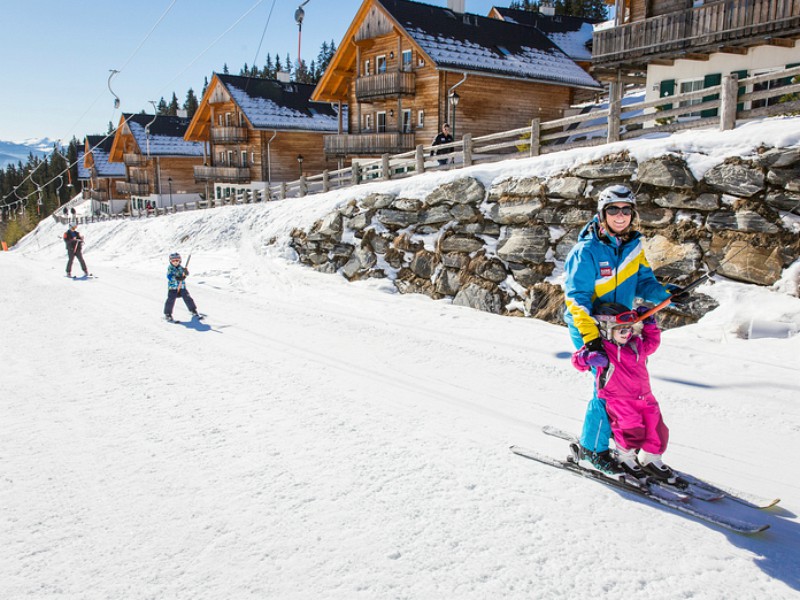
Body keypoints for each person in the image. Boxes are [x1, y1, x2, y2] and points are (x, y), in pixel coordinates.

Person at [563, 184, 674, 475]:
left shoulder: (633, 247)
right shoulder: (586, 251)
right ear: (602, 214)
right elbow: (577, 300)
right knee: (606, 389)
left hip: (621, 327)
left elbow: (644, 281)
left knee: (628, 387)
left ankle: (623, 441)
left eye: (626, 210)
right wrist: (591, 341)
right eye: (613, 210)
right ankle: (592, 448)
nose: (620, 216)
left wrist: (665, 294)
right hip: (590, 325)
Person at [572, 302, 675, 483]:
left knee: (658, 429)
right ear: (606, 329)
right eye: (621, 330)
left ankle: (651, 457)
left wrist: (650, 324)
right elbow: (577, 362)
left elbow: (652, 343)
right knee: (630, 430)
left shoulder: (636, 344)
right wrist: (587, 357)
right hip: (619, 400)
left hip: (645, 397)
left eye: (628, 329)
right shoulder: (603, 349)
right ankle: (625, 457)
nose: (626, 333)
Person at [164, 252, 200, 322]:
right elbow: (169, 276)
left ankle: (193, 310)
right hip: (173, 288)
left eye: (177, 260)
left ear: (180, 261)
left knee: (188, 298)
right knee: (170, 300)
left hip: (182, 287)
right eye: (173, 261)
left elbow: (186, 273)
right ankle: (168, 313)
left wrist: (186, 272)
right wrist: (176, 278)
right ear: (170, 261)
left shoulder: (181, 268)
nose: (175, 262)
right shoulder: (170, 268)